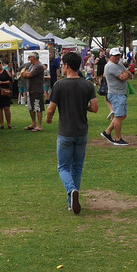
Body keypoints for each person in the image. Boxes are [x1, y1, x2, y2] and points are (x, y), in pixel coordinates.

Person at [46, 52, 99, 214]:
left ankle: (71, 191)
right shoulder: (88, 85)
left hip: (65, 132)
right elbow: (95, 108)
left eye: (62, 65)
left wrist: (48, 119)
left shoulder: (59, 85)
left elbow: (51, 109)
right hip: (82, 131)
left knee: (63, 167)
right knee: (77, 168)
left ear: (67, 65)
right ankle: (71, 201)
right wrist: (83, 106)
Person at [101, 49, 132, 146]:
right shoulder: (110, 66)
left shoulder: (118, 64)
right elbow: (123, 77)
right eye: (115, 56)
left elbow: (128, 73)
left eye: (118, 55)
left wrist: (126, 73)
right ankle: (118, 139)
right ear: (110, 56)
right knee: (119, 116)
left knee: (123, 115)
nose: (117, 57)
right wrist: (126, 73)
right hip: (116, 94)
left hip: (121, 93)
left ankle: (107, 132)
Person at [19, 51, 47, 131]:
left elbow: (28, 75)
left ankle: (39, 125)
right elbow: (25, 73)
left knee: (37, 107)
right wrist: (24, 73)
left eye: (29, 57)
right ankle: (33, 123)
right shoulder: (32, 65)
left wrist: (24, 73)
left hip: (37, 90)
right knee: (30, 107)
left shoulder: (38, 66)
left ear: (33, 58)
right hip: (30, 89)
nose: (28, 59)